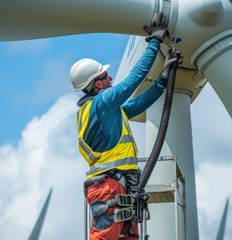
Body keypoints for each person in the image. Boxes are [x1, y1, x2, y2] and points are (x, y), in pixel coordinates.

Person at [70, 12, 172, 240]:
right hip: (110, 185)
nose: (111, 79)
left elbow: (137, 103)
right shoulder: (102, 103)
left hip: (120, 186)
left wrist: (163, 79)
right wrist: (154, 41)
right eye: (106, 76)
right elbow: (133, 80)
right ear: (98, 84)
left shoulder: (105, 111)